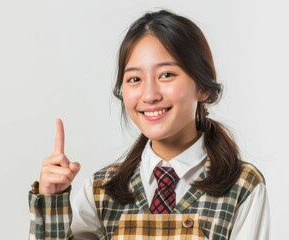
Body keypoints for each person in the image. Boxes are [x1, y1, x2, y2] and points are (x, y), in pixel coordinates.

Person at [28, 9, 270, 239]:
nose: (150, 95)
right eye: (134, 79)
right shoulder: (101, 190)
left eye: (166, 75)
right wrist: (51, 201)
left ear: (204, 87)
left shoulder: (242, 186)